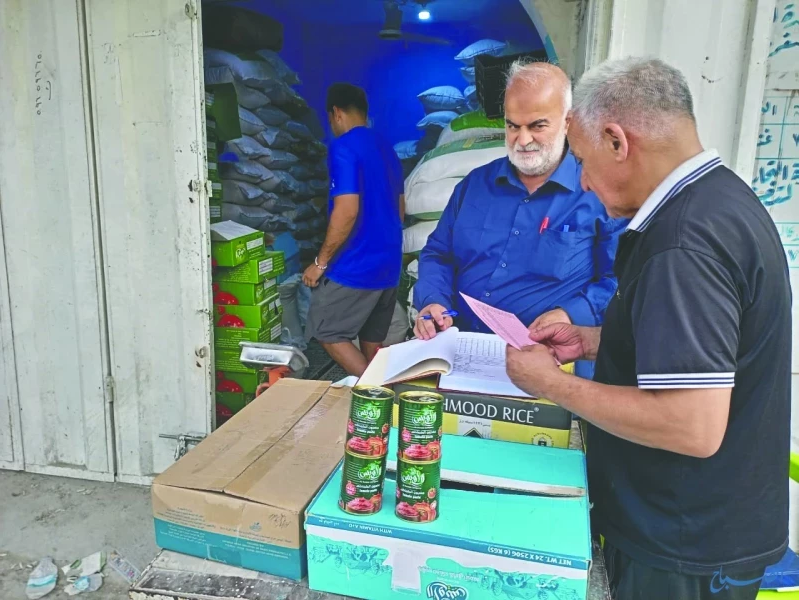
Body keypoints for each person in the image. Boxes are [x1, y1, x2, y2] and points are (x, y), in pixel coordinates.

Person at [506, 58, 790, 600]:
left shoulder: (684, 243)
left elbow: (691, 425)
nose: (584, 184)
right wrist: (593, 341)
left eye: (584, 161)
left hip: (687, 546)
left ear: (617, 141)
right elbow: (703, 353)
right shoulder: (719, 199)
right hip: (702, 528)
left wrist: (552, 384)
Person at [413, 61, 626, 379]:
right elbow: (438, 254)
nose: (522, 140)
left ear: (568, 122)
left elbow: (620, 280)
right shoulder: (475, 185)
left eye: (537, 126)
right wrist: (433, 301)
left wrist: (570, 313)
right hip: (459, 357)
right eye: (513, 126)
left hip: (545, 367)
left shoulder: (600, 192)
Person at [303, 83, 404, 376]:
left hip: (357, 266)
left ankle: (380, 393)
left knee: (327, 330)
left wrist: (320, 263)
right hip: (388, 265)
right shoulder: (386, 148)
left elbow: (347, 211)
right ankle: (381, 405)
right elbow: (400, 207)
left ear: (335, 113)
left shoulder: (344, 147)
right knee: (372, 343)